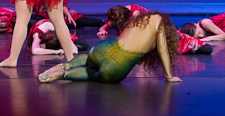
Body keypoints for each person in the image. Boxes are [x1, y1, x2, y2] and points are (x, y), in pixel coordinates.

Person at [37, 11, 182, 83]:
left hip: (103, 48)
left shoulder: (137, 21)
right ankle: (65, 75)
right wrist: (169, 77)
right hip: (116, 68)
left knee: (88, 59)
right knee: (89, 74)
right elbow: (163, 49)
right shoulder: (159, 23)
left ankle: (66, 66)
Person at [32, 5, 105, 30]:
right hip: (47, 17)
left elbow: (62, 4)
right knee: (34, 19)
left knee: (83, 21)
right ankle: (69, 25)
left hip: (63, 14)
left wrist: (69, 16)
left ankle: (105, 23)